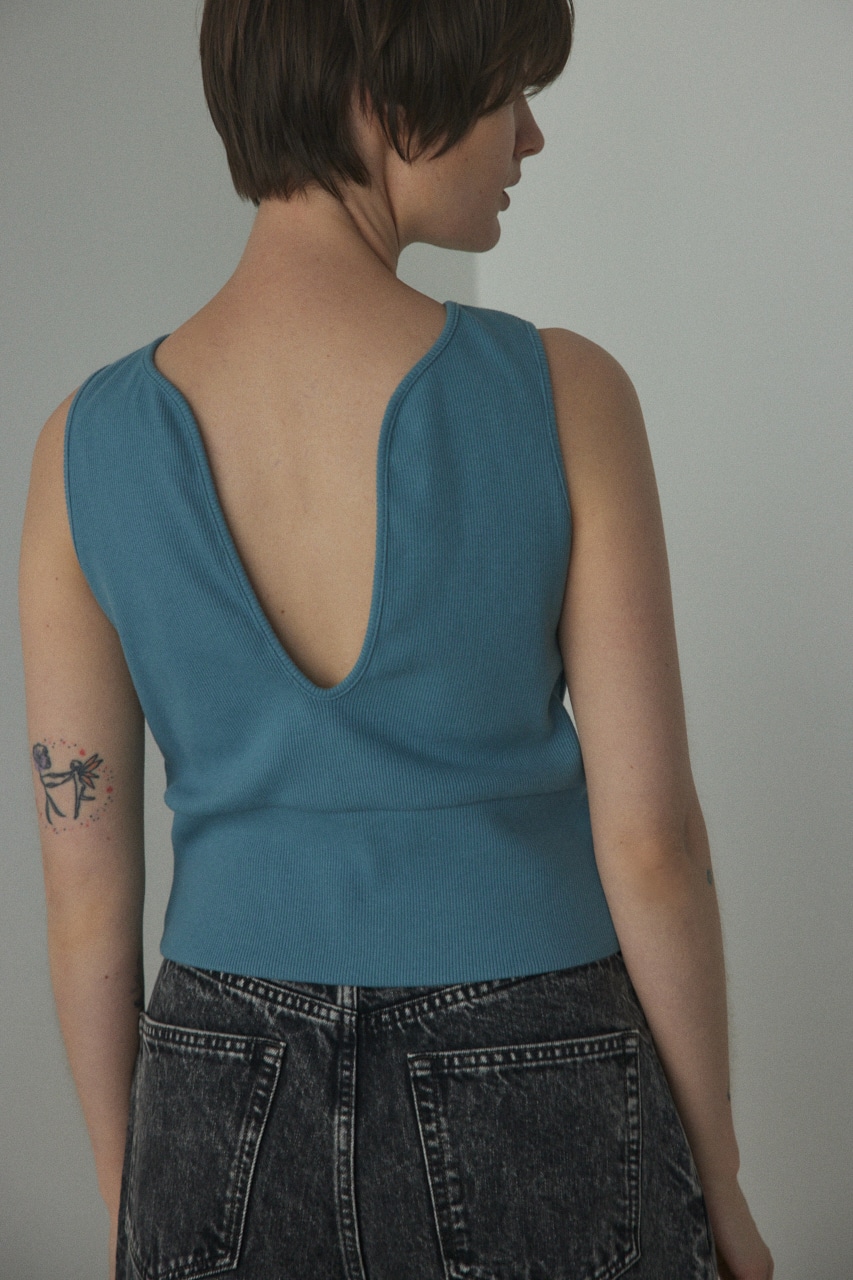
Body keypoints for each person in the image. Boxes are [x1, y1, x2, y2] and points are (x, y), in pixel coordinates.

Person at [18, 2, 774, 1278]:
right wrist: (722, 1185)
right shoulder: (563, 395)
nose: (528, 135)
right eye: (506, 91)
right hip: (538, 1055)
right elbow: (652, 844)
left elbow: (84, 891)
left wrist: (129, 1197)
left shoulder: (81, 447)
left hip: (213, 1077)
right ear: (382, 94)